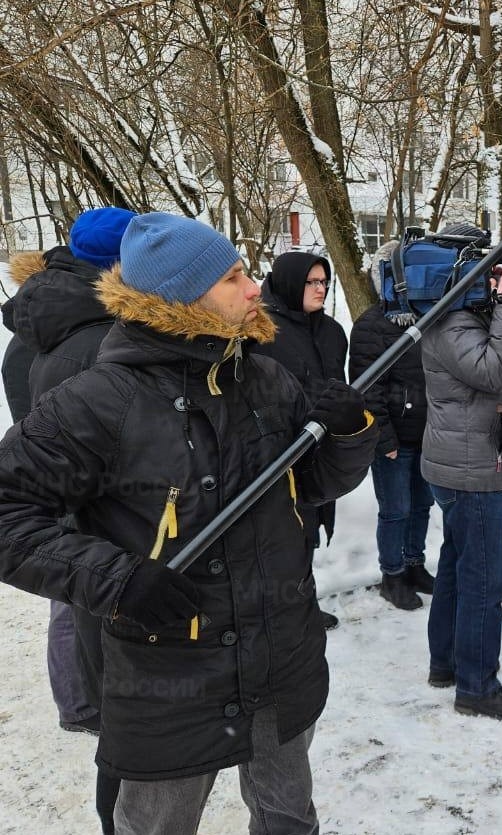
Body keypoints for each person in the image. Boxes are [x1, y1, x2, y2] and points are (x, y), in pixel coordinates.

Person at [0, 212, 378, 833]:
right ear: (180, 296)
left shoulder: (263, 377)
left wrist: (346, 435)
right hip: (169, 674)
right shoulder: (99, 399)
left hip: (282, 651)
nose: (255, 288)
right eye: (233, 277)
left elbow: (311, 486)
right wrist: (116, 579)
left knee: (288, 816)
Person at [2, 206, 134, 835]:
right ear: (114, 263)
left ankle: (78, 700)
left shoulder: (40, 312)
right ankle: (85, 703)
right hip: (77, 484)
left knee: (70, 596)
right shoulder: (92, 328)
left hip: (54, 473)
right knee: (78, 595)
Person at [420, 221, 502, 720]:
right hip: (471, 469)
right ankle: (477, 685)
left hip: (468, 462)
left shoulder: (466, 313)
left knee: (456, 565)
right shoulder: (451, 324)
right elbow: (494, 371)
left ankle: (446, 663)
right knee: (483, 579)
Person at [252, 250, 349, 630]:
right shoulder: (262, 330)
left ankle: (301, 601)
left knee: (307, 533)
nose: (320, 288)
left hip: (319, 450)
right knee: (282, 536)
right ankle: (278, 611)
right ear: (290, 282)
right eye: (311, 282)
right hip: (278, 452)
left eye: (324, 281)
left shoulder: (332, 332)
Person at [349, 240, 435, 612]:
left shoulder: (430, 317)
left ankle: (415, 564)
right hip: (394, 441)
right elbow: (367, 389)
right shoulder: (372, 325)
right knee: (396, 508)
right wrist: (384, 439)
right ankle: (392, 574)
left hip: (428, 435)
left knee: (422, 506)